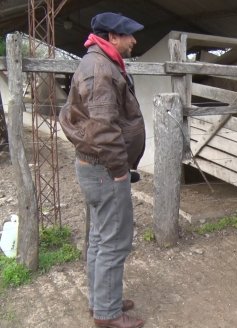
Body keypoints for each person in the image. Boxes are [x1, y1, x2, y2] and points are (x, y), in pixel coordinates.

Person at [59, 12, 146, 328]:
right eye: (128, 35)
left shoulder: (98, 63)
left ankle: (101, 302)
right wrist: (120, 170)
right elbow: (102, 129)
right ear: (112, 37)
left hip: (95, 167)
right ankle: (108, 315)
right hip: (105, 170)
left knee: (99, 236)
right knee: (114, 240)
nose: (133, 40)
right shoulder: (100, 70)